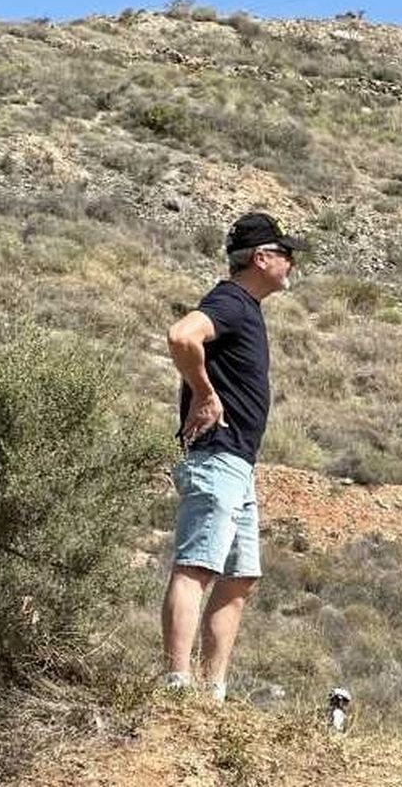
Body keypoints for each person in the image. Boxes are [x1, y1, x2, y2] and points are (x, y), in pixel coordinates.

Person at [161, 212, 306, 702]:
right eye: (285, 254)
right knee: (198, 565)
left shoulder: (246, 307)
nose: (291, 264)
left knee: (240, 577)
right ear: (261, 257)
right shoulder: (230, 300)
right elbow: (182, 336)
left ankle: (212, 692)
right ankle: (178, 685)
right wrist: (204, 393)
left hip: (238, 462)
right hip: (216, 454)